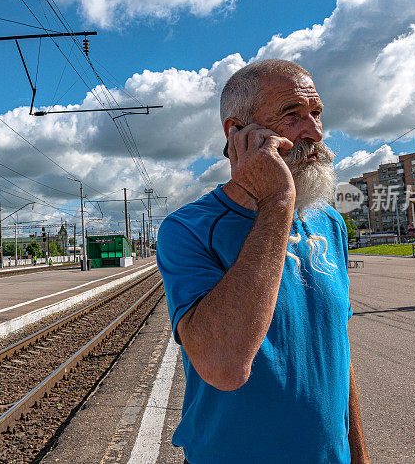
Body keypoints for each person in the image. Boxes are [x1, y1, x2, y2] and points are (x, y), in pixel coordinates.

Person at [157, 59, 369, 463]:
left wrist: (358, 455)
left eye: (316, 113)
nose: (315, 132)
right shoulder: (187, 230)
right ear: (237, 134)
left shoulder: (328, 223)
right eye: (292, 115)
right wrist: (276, 203)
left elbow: (337, 347)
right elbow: (224, 366)